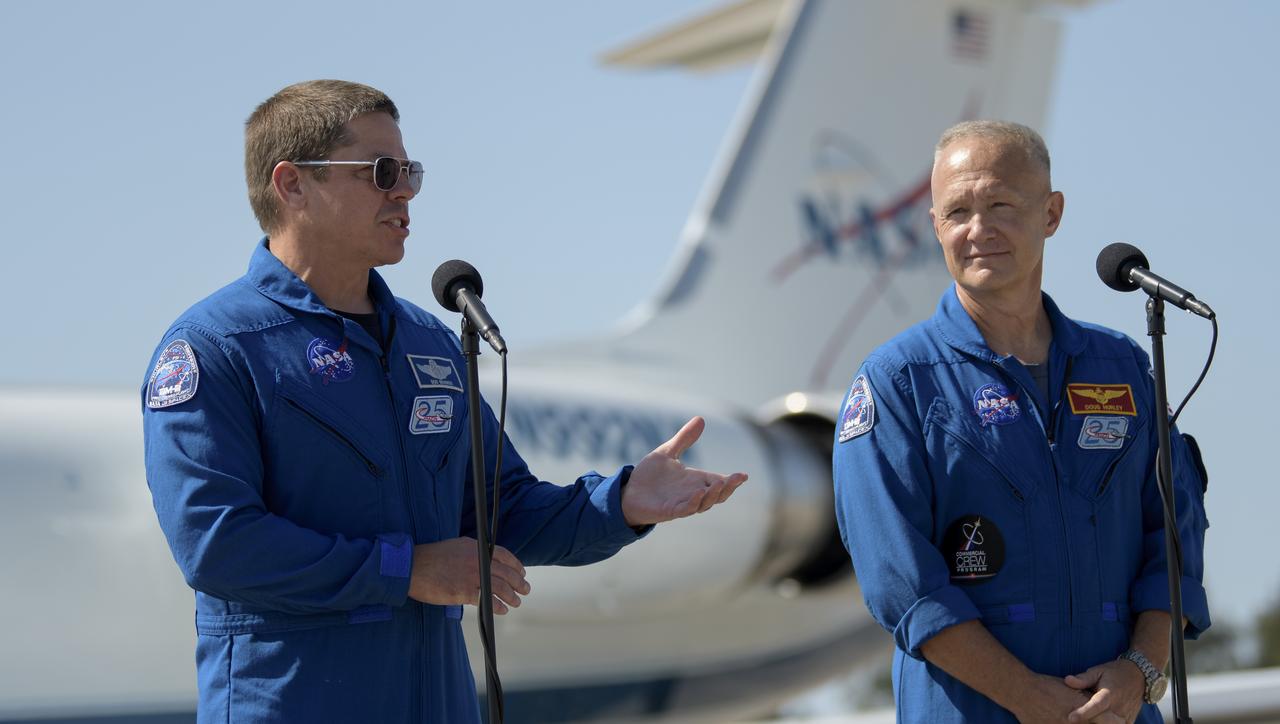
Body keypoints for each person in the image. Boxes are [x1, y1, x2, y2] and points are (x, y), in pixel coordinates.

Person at [141, 79, 748, 723]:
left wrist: (621, 502)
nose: (403, 189)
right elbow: (216, 542)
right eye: (380, 171)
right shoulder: (216, 347)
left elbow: (499, 509)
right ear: (292, 185)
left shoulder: (428, 342)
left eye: (409, 171)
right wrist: (406, 571)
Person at [833, 121, 1209, 723]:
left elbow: (1174, 543)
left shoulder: (1123, 368)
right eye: (956, 212)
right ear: (935, 227)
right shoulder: (897, 383)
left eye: (1001, 204)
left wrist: (1138, 672)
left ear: (1052, 213)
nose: (978, 230)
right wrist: (1031, 701)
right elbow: (902, 585)